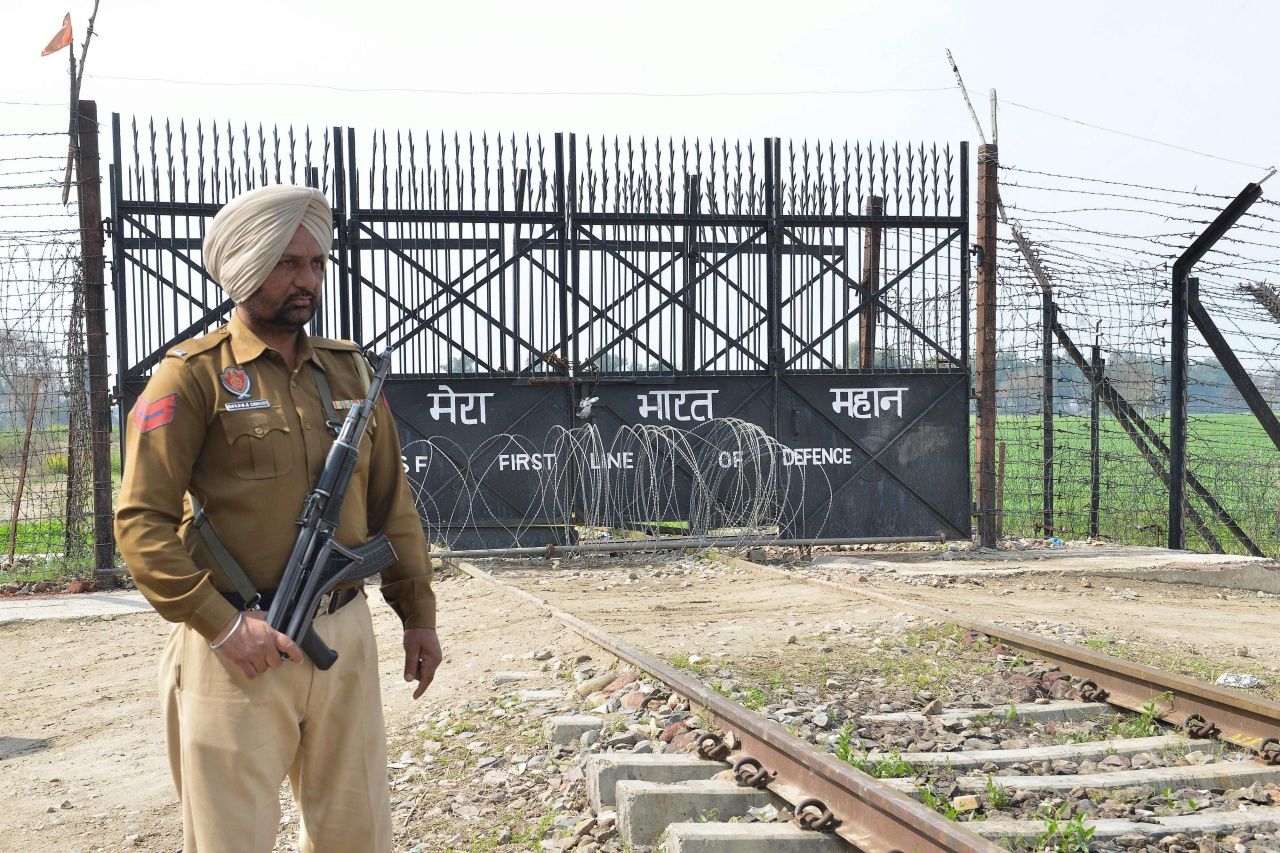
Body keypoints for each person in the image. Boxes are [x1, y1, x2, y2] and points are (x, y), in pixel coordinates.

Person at [114, 184, 441, 853]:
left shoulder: (350, 376)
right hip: (236, 650)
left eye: (315, 263)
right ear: (247, 267)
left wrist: (419, 615)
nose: (306, 279)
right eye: (288, 264)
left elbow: (392, 506)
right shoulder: (192, 378)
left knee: (358, 835)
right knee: (231, 841)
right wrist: (225, 625)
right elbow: (140, 524)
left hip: (341, 636)